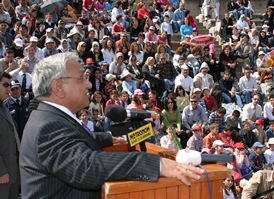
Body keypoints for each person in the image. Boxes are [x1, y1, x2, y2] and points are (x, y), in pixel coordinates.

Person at [19, 52, 203, 198]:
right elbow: (86, 167)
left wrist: (105, 139)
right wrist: (156, 165)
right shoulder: (47, 126)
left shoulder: (49, 117)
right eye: (81, 78)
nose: (89, 85)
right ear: (58, 87)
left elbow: (70, 141)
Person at [0, 72, 20, 199]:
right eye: (5, 85)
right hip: (3, 174)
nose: (9, 89)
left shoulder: (4, 107)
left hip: (12, 171)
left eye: (10, 85)